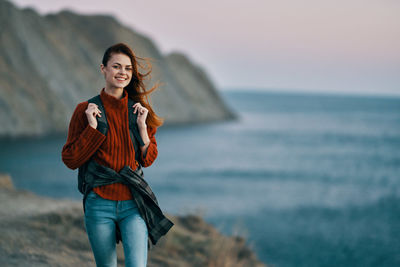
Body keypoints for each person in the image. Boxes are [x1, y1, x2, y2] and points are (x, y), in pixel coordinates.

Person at [61, 42, 169, 267]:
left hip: (133, 203)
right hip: (98, 203)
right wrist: (92, 128)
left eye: (128, 68)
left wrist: (141, 128)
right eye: (117, 66)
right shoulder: (85, 109)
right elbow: (70, 159)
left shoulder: (138, 110)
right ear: (104, 69)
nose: (123, 73)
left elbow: (148, 160)